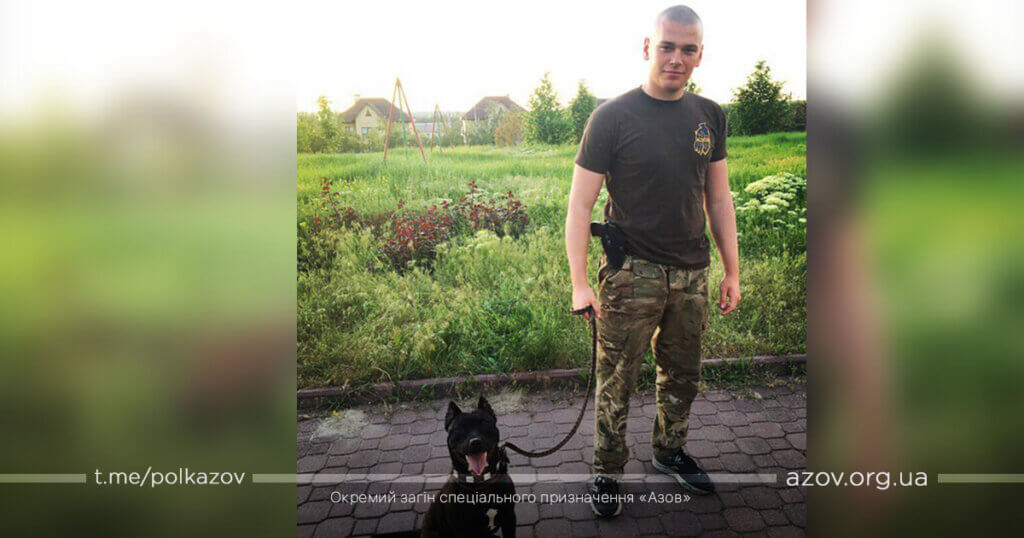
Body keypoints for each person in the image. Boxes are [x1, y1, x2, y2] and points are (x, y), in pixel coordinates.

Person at [564, 5, 740, 518]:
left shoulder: (710, 116)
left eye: (688, 49)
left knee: (682, 375)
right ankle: (607, 469)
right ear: (647, 47)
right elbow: (579, 207)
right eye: (666, 46)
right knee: (617, 379)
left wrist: (731, 270)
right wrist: (580, 282)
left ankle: (669, 450)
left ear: (700, 55)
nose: (676, 59)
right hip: (631, 275)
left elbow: (719, 199)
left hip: (692, 275)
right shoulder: (612, 117)